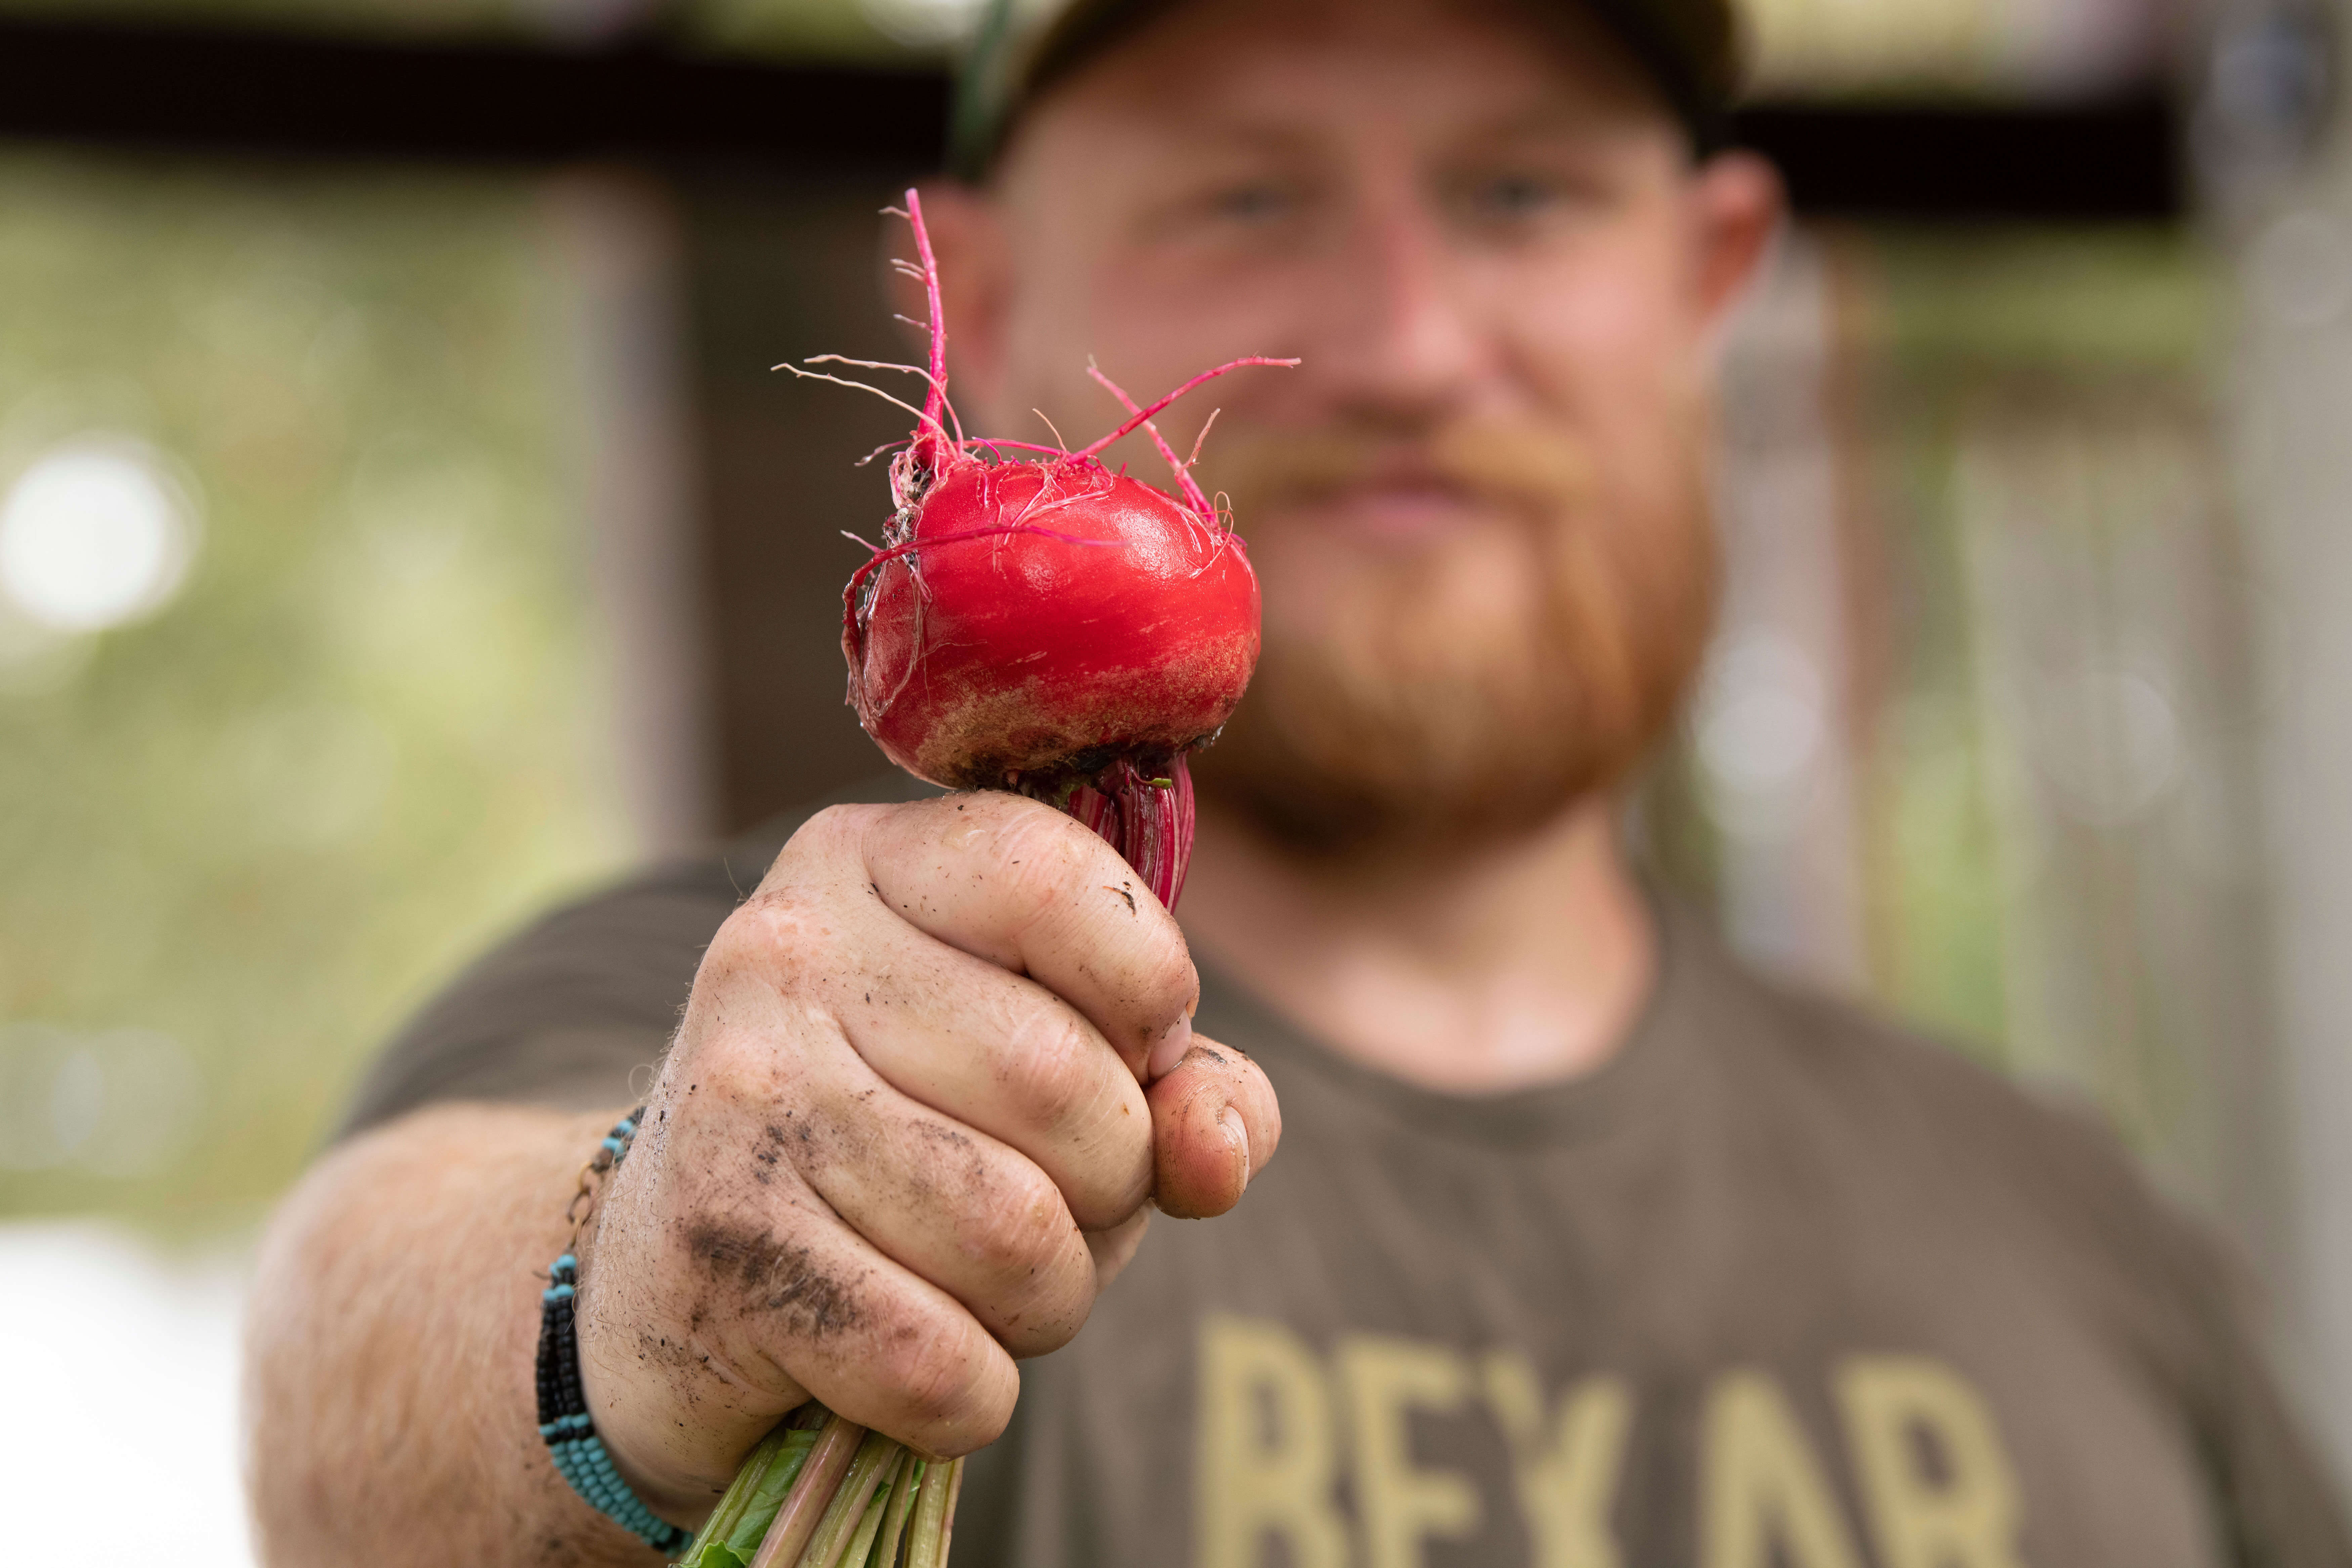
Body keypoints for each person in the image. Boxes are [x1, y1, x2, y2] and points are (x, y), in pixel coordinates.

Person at [244, 0, 2352, 1562]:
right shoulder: (755, 1006)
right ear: (972, 298)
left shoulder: (2082, 1236)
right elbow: (363, 1349)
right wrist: (638, 1299)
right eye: (1243, 194)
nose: (1408, 341)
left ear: (1707, 277)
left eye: (1521, 192)